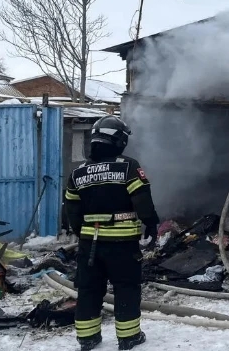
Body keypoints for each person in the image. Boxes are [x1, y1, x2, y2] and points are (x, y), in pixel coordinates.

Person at [63, 116, 159, 350]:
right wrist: (152, 224)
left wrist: (83, 234)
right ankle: (128, 338)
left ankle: (87, 338)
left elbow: (71, 211)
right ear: (118, 140)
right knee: (126, 287)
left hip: (89, 246)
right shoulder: (127, 166)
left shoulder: (79, 173)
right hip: (122, 244)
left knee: (88, 289)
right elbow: (142, 201)